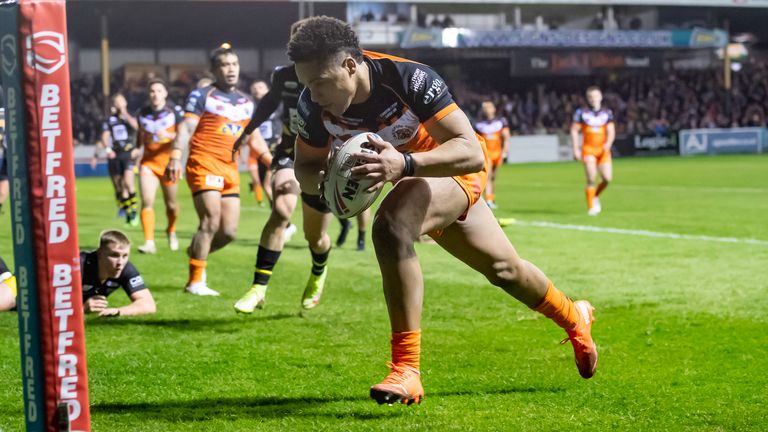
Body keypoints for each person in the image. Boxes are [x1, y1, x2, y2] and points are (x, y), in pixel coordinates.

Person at [288, 16, 598, 405]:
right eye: (306, 85)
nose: (313, 94)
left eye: (319, 82)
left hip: (448, 174)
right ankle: (575, 317)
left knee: (390, 226)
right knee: (506, 271)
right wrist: (329, 180)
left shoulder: (408, 79)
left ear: (350, 65)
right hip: (412, 186)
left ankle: (407, 370)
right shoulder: (311, 106)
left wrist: (404, 164)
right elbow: (305, 166)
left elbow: (471, 152)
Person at [231, 21, 334, 313]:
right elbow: (268, 104)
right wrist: (247, 131)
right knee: (280, 211)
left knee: (314, 237)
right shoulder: (283, 75)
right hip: (289, 151)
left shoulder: (330, 78)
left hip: (322, 159)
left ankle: (318, 271)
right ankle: (258, 288)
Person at [165, 44, 269, 296]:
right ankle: (195, 282)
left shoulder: (246, 101)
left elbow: (254, 139)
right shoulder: (202, 95)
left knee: (229, 232)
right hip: (203, 161)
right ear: (214, 70)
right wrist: (176, 156)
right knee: (209, 221)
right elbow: (186, 129)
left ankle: (196, 254)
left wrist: (273, 162)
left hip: (230, 168)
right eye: (224, 65)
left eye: (234, 64)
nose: (230, 69)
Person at [0, 231, 155, 316]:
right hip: (27, 284)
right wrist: (81, 308)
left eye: (125, 255)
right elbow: (47, 305)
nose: (120, 262)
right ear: (99, 253)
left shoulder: (124, 268)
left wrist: (116, 311)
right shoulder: (76, 266)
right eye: (114, 255)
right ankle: (4, 276)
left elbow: (148, 304)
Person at [135, 79, 183, 254]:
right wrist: (137, 148)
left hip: (169, 164)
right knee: (147, 201)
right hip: (148, 162)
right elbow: (140, 134)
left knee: (171, 205)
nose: (155, 94)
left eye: (158, 90)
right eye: (152, 91)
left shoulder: (174, 112)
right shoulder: (141, 113)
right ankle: (149, 242)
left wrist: (169, 136)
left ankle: (171, 230)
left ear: (165, 93)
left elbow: (185, 135)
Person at [93, 93, 140, 225]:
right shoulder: (109, 120)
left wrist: (124, 112)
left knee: (128, 184)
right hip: (115, 154)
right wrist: (107, 150)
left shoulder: (130, 117)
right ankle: (126, 211)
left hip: (128, 154)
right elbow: (105, 136)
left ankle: (133, 211)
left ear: (125, 102)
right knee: (119, 187)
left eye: (121, 100)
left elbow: (137, 127)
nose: (119, 103)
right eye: (117, 101)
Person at [570, 86, 615, 216]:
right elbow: (574, 130)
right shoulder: (581, 113)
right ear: (587, 99)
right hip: (588, 149)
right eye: (591, 97)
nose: (593, 99)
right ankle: (591, 207)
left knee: (607, 179)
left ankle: (595, 196)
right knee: (591, 178)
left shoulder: (607, 113)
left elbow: (611, 130)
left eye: (596, 96)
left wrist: (609, 143)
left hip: (603, 149)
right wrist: (575, 148)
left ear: (600, 97)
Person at [246, 79, 278, 206]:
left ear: (267, 90)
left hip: (275, 148)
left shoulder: (277, 105)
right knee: (263, 183)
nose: (256, 89)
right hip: (258, 150)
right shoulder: (250, 107)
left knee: (268, 183)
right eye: (254, 88)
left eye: (260, 87)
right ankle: (280, 214)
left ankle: (284, 219)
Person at [473, 100, 510, 209]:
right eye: (485, 108)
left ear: (494, 109)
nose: (487, 110)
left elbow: (506, 137)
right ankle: (488, 200)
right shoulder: (478, 124)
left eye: (489, 107)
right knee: (487, 177)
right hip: (486, 154)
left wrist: (505, 152)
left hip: (497, 154)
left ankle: (491, 198)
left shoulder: (501, 122)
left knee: (493, 177)